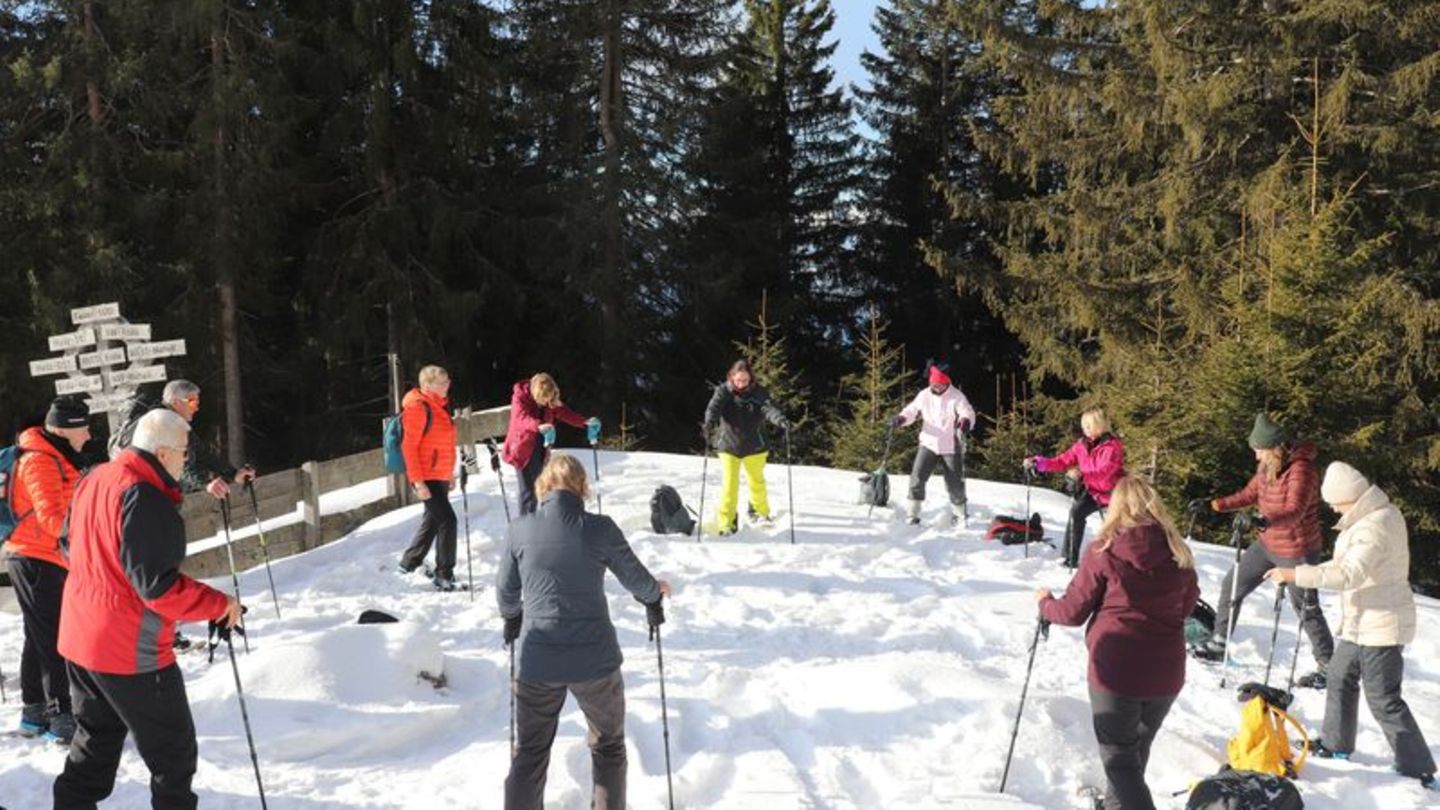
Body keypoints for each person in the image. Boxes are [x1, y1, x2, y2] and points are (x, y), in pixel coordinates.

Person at [53, 409, 242, 810]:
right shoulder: (145, 495)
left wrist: (105, 574)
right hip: (128, 649)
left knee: (95, 740)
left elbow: (66, 545)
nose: (186, 460)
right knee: (173, 753)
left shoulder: (95, 476)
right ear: (162, 452)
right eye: (184, 452)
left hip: (81, 636)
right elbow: (159, 588)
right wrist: (220, 603)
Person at [496, 453, 671, 810]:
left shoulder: (520, 529)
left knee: (530, 751)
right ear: (581, 487)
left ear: (543, 485)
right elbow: (636, 578)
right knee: (609, 747)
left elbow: (505, 593)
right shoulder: (600, 528)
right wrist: (654, 595)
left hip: (537, 659)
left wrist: (512, 617)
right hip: (595, 660)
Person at [1265, 462, 1436, 791]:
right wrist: (1304, 571)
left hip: (1382, 623)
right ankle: (1336, 744)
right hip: (1361, 620)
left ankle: (1418, 768)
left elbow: (1349, 575)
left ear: (1350, 496)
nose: (1332, 508)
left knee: (1382, 697)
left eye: (1335, 502)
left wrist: (1297, 575)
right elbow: (1345, 564)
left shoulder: (1375, 526)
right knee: (1339, 675)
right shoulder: (1368, 517)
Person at [1037, 476, 1200, 810]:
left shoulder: (1104, 550)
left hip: (1116, 672)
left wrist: (1045, 604)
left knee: (1120, 761)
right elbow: (1186, 608)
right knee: (1134, 755)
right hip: (1166, 674)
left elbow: (1072, 612)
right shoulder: (1179, 554)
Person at [1189, 412, 1334, 687]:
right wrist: (1214, 505)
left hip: (1297, 549)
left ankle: (1328, 665)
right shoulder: (1267, 466)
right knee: (1232, 584)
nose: (1257, 457)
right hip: (1268, 543)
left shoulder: (1301, 470)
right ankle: (1219, 641)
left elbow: (1295, 511)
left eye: (1260, 451)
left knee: (1306, 608)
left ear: (1275, 448)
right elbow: (1249, 494)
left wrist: (1262, 520)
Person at [6, 396, 93, 744]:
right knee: (56, 638)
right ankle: (60, 716)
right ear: (64, 430)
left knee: (37, 636)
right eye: (84, 428)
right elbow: (53, 520)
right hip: (35, 558)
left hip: (42, 557)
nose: (89, 435)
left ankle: (33, 714)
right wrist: (90, 525)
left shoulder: (55, 456)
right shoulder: (40, 460)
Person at [110, 379, 256, 499]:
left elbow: (203, 454)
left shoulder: (176, 424)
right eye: (192, 402)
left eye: (197, 402)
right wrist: (206, 483)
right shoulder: (162, 425)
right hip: (142, 493)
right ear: (175, 402)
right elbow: (178, 466)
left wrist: (233, 473)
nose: (196, 408)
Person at [1025, 408, 1126, 567]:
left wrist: (1081, 475)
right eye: (1084, 425)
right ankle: (1069, 558)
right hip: (1093, 492)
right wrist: (1039, 463)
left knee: (1116, 528)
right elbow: (1062, 461)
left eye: (1090, 425)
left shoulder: (1112, 446)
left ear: (1100, 425)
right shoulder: (1081, 445)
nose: (1086, 429)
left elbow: (1105, 471)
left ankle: (1122, 561)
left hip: (1114, 493)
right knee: (1076, 513)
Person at [702, 359, 791, 535]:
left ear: (751, 379)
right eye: (738, 380)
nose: (741, 384)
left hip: (755, 445)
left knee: (756, 481)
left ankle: (761, 512)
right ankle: (726, 523)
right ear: (731, 377)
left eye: (745, 380)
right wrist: (709, 422)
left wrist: (780, 420)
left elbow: (769, 409)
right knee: (729, 486)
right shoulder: (723, 391)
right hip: (729, 445)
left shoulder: (759, 393)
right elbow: (713, 408)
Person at [395, 365, 461, 591]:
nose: (448, 385)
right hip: (425, 475)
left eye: (448, 380)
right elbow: (409, 447)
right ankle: (444, 574)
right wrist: (418, 481)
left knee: (433, 520)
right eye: (443, 382)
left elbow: (443, 445)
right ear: (428, 385)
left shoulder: (438, 406)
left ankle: (409, 562)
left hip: (438, 474)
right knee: (448, 521)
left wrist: (449, 474)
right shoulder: (418, 408)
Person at [502, 372, 599, 516]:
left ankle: (545, 520)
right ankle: (525, 524)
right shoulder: (520, 396)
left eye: (550, 399)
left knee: (544, 486)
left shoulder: (549, 398)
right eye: (544, 399)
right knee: (528, 491)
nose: (547, 402)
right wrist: (539, 425)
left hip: (541, 444)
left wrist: (584, 422)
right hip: (522, 447)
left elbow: (564, 412)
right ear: (537, 394)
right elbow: (521, 419)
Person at [892, 363, 975, 527]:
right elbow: (911, 410)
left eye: (939, 385)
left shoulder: (957, 396)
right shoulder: (924, 395)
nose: (935, 387)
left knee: (954, 484)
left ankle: (960, 514)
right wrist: (902, 418)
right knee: (917, 478)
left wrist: (965, 421)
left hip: (951, 445)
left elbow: (967, 412)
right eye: (933, 384)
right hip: (928, 443)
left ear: (946, 383)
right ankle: (912, 514)